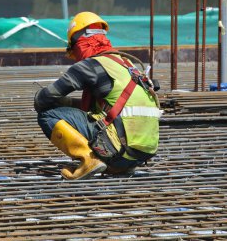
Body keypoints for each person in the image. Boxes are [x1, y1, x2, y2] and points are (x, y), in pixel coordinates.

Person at [34, 11, 161, 180]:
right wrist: (69, 102)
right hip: (140, 155)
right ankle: (118, 167)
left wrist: (44, 98)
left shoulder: (91, 65)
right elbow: (109, 107)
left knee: (47, 114)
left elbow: (45, 98)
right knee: (100, 118)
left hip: (119, 149)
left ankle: (88, 160)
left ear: (79, 43)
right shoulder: (126, 64)